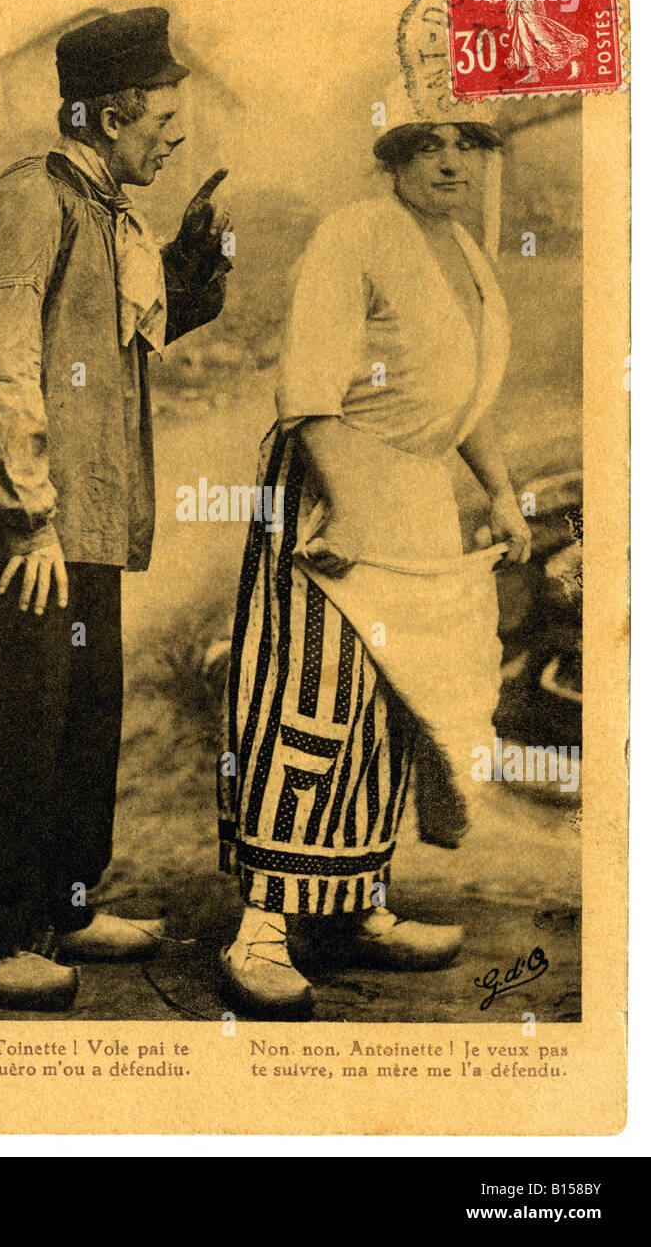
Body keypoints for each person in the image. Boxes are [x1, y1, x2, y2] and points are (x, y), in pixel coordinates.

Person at [0, 7, 231, 1009]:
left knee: (78, 721)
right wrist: (29, 514)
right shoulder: (31, 203)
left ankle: (64, 906)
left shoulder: (100, 210)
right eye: (163, 118)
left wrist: (194, 264)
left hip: (67, 534)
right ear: (112, 114)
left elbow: (127, 322)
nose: (175, 135)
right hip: (0, 534)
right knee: (5, 730)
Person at [218, 116, 531, 1013]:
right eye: (424, 144)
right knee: (312, 701)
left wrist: (502, 498)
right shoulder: (353, 232)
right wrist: (345, 511)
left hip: (415, 496)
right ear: (391, 158)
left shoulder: (464, 251)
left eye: (465, 144)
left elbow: (463, 401)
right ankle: (261, 935)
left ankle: (355, 907)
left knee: (393, 708)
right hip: (333, 487)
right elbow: (309, 392)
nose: (448, 160)